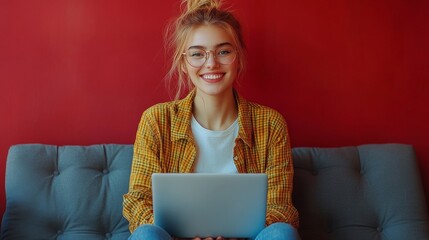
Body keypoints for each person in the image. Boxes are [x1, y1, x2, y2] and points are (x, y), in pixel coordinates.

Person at [123, 0, 301, 239]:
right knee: (146, 235)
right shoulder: (156, 120)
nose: (211, 63)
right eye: (197, 54)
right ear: (184, 63)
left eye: (223, 51)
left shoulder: (270, 123)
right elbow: (138, 200)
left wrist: (235, 234)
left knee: (282, 233)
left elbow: (280, 208)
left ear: (238, 57)